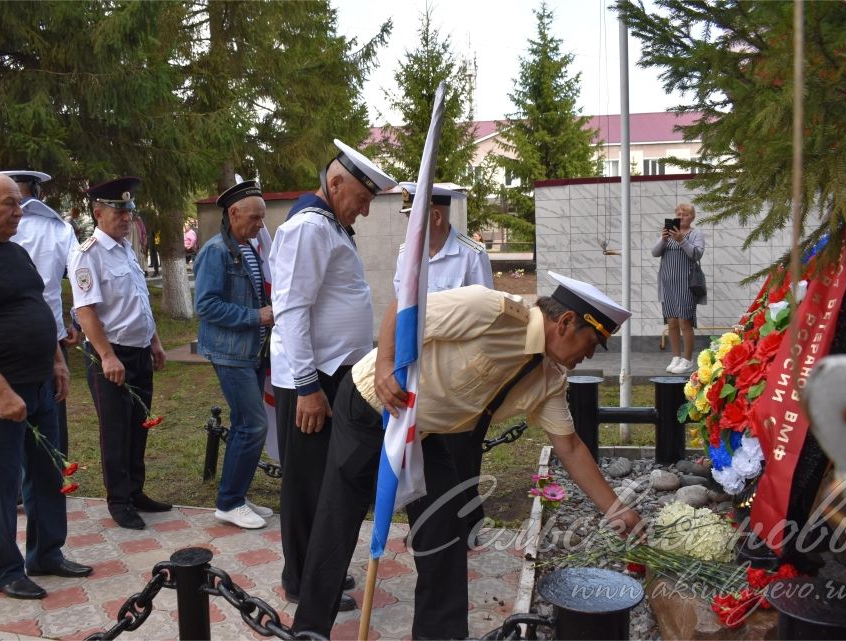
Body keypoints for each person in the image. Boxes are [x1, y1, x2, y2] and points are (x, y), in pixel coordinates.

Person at [292, 273, 641, 639]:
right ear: (566, 322)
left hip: (426, 432)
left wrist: (617, 510)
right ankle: (310, 630)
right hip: (373, 405)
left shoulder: (549, 377)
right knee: (340, 516)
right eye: (591, 342)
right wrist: (385, 367)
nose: (588, 355)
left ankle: (440, 635)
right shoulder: (490, 309)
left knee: (445, 528)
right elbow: (404, 309)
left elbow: (569, 446)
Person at [0, 171, 92, 600]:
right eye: (9, 203)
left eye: (18, 202)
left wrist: (57, 360)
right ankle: (6, 569)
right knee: (2, 481)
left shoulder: (17, 253)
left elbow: (37, 307)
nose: (19, 211)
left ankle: (46, 552)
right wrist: (2, 393)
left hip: (42, 382)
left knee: (47, 472)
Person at [269, 139, 397, 612]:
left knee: (326, 479)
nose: (364, 211)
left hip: (333, 376)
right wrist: (306, 388)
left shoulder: (330, 226)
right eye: (362, 200)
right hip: (313, 381)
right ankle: (302, 581)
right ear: (336, 182)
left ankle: (317, 566)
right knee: (307, 483)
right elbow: (293, 311)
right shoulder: (308, 228)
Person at [393, 181, 494, 544]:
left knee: (461, 453)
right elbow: (399, 310)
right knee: (417, 449)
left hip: (458, 373)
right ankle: (424, 525)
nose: (407, 224)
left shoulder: (471, 254)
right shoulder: (407, 253)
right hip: (418, 371)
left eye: (411, 216)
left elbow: (487, 319)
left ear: (434, 215)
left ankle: (467, 524)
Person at [69, 176, 170, 530]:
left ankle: (136, 490)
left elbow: (139, 303)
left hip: (140, 350)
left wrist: (155, 341)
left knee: (138, 425)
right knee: (116, 429)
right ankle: (119, 500)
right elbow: (86, 313)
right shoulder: (86, 256)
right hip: (109, 357)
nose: (127, 217)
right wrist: (108, 356)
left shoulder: (127, 249)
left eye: (129, 210)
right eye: (119, 211)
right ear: (98, 213)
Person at [194, 180, 275, 529]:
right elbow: (206, 305)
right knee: (253, 424)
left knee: (247, 424)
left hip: (251, 352)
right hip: (231, 354)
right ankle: (228, 502)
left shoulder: (246, 248)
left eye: (262, 218)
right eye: (255, 218)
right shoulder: (216, 251)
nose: (261, 225)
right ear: (234, 213)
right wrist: (255, 317)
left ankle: (236, 496)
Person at [0, 170, 80, 458]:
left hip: (4, 337)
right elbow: (80, 276)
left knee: (8, 412)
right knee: (52, 410)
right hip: (51, 333)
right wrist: (77, 322)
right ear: (37, 191)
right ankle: (54, 478)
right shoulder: (60, 228)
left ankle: (19, 489)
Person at [651, 202, 705, 374]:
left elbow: (696, 254)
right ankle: (676, 357)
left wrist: (681, 240)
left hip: (686, 284)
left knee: (685, 322)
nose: (681, 217)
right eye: (679, 214)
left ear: (692, 217)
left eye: (685, 214)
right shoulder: (668, 234)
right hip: (667, 284)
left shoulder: (696, 234)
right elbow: (655, 252)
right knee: (672, 322)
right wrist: (664, 238)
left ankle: (688, 360)